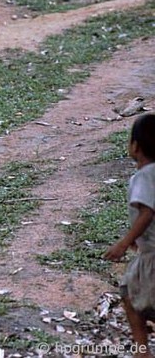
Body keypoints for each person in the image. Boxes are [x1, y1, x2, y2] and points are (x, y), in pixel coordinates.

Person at [104, 113, 155, 357]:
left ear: (135, 146)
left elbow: (147, 212)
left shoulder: (144, 176)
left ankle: (141, 348)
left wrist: (124, 243)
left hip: (152, 256)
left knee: (128, 293)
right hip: (148, 249)